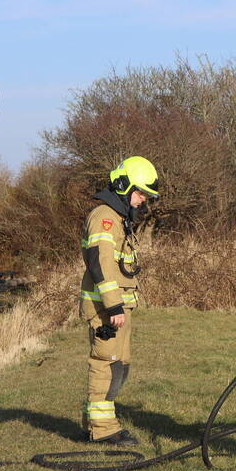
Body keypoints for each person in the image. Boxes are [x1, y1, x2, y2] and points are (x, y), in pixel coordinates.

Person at [79, 156, 160, 446]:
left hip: (117, 307)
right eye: (140, 193)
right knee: (106, 363)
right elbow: (99, 262)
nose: (142, 200)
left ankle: (98, 422)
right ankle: (103, 431)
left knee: (120, 364)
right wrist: (113, 305)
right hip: (106, 309)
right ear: (124, 186)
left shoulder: (118, 218)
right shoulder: (104, 216)